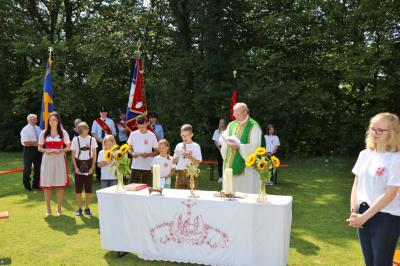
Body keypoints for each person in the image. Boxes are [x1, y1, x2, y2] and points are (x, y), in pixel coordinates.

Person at [347, 112, 400, 266]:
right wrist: (354, 212)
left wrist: (365, 217)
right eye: (372, 129)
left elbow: (390, 195)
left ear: (392, 133)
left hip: (386, 217)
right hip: (362, 212)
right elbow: (356, 184)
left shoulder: (396, 158)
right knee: (369, 262)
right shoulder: (364, 154)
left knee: (381, 263)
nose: (374, 133)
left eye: (380, 130)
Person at [219, 102, 262, 194]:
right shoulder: (231, 125)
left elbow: (254, 147)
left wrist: (239, 147)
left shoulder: (253, 126)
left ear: (245, 112)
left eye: (237, 114)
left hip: (246, 169)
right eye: (234, 113)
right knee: (229, 193)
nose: (235, 116)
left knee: (244, 193)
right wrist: (226, 142)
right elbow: (223, 138)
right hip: (230, 164)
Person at [37, 112, 70, 217]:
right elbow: (39, 147)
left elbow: (68, 147)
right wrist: (46, 150)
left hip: (59, 159)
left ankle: (59, 208)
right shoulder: (44, 133)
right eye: (51, 120)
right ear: (48, 121)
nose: (52, 122)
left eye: (54, 120)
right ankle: (48, 210)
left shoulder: (63, 133)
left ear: (58, 121)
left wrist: (61, 150)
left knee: (60, 185)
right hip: (47, 159)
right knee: (47, 185)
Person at [70, 122, 97, 216]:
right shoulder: (75, 140)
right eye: (85, 129)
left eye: (87, 129)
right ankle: (79, 209)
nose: (87, 131)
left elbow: (94, 155)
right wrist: (76, 167)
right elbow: (73, 155)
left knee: (88, 189)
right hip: (78, 163)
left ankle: (87, 208)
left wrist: (92, 167)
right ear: (80, 131)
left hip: (89, 163)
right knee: (78, 189)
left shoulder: (92, 139)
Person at [127, 116, 159, 186]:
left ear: (147, 123)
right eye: (139, 127)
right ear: (137, 124)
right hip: (135, 166)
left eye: (143, 127)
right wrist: (132, 153)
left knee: (147, 188)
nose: (141, 129)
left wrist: (148, 155)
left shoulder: (152, 135)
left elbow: (157, 151)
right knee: (132, 187)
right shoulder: (133, 134)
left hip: (148, 166)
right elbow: (129, 148)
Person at [173, 124, 202, 189]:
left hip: (191, 174)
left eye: (186, 136)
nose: (184, 138)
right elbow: (173, 161)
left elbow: (198, 162)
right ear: (180, 134)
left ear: (192, 135)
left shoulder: (196, 146)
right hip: (180, 174)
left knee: (190, 196)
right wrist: (179, 154)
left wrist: (189, 157)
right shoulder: (179, 145)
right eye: (183, 136)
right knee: (179, 194)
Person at [91, 106, 116, 182]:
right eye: (102, 112)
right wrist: (100, 140)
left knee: (111, 158)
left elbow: (114, 133)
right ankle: (99, 176)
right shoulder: (96, 121)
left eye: (105, 112)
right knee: (100, 159)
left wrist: (109, 140)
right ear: (100, 113)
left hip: (109, 143)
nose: (103, 114)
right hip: (99, 142)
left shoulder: (111, 121)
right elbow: (93, 132)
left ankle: (112, 175)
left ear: (107, 113)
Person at [20, 114, 42, 191]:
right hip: (28, 150)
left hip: (38, 150)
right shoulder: (25, 129)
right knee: (27, 169)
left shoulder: (38, 128)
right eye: (32, 119)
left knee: (38, 168)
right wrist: (36, 142)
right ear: (28, 120)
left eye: (35, 119)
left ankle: (36, 185)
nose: (34, 121)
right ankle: (27, 187)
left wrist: (38, 143)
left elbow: (41, 140)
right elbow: (25, 142)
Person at [212, 118, 227, 183]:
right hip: (219, 148)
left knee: (226, 162)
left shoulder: (227, 131)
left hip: (226, 147)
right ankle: (220, 177)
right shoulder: (216, 131)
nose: (221, 124)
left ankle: (226, 177)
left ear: (225, 124)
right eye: (220, 123)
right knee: (220, 162)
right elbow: (215, 141)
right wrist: (220, 149)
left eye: (223, 123)